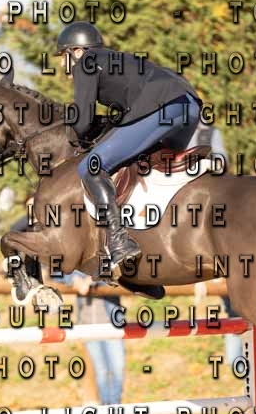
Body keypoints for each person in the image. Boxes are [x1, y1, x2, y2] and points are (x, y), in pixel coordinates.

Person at [55, 21, 203, 279]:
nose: (61, 64)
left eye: (63, 56)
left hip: (164, 106)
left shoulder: (86, 62)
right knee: (145, 168)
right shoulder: (117, 61)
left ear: (77, 51)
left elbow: (82, 121)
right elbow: (125, 118)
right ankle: (152, 249)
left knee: (90, 167)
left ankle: (119, 242)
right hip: (189, 106)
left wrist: (70, 134)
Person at [53, 270, 126, 405]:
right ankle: (106, 405)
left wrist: (92, 279)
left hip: (112, 326)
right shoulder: (76, 266)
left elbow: (117, 272)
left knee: (118, 368)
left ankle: (115, 404)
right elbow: (56, 273)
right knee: (100, 370)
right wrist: (74, 279)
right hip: (88, 327)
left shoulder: (106, 261)